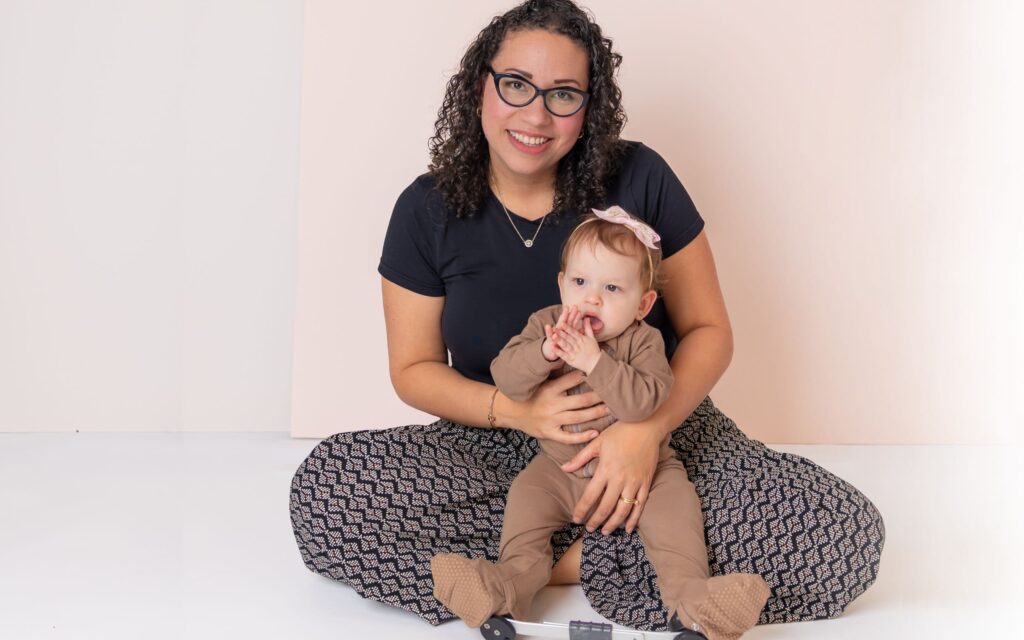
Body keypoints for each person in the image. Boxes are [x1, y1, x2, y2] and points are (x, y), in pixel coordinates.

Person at [289, 0, 885, 632]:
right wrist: (522, 411)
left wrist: (643, 435)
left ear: (589, 109)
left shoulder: (641, 177)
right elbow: (412, 371)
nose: (535, 115)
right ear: (479, 86)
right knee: (326, 496)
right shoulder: (425, 210)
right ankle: (623, 565)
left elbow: (710, 331)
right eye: (515, 84)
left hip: (661, 432)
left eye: (564, 95)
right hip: (495, 444)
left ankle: (523, 568)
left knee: (844, 536)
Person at [431, 208, 771, 638]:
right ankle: (508, 586)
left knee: (677, 513)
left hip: (643, 474)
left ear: (642, 304)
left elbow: (643, 403)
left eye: (612, 288)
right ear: (561, 285)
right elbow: (507, 379)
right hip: (558, 468)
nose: (591, 298)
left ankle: (691, 601)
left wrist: (594, 361)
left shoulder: (642, 340)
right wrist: (544, 355)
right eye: (580, 283)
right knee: (525, 499)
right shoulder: (546, 326)